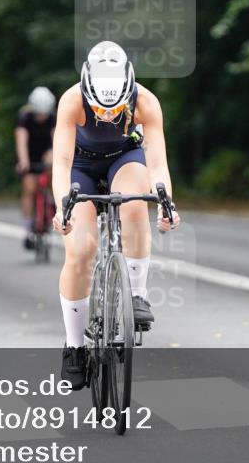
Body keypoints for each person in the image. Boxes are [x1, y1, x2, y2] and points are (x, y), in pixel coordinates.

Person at [52, 41, 181, 389]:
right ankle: (75, 347)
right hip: (78, 165)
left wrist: (166, 200)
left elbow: (157, 163)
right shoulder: (72, 100)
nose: (107, 116)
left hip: (123, 158)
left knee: (136, 203)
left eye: (115, 108)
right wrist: (62, 205)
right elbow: (61, 165)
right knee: (80, 250)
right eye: (100, 108)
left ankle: (137, 294)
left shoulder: (146, 101)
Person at [15, 86, 56, 249]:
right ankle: (27, 229)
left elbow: (57, 138)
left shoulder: (53, 117)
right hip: (29, 156)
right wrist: (23, 161)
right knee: (29, 189)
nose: (41, 116)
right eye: (39, 113)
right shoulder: (25, 117)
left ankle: (53, 202)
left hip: (47, 154)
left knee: (56, 172)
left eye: (44, 113)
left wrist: (54, 153)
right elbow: (21, 140)